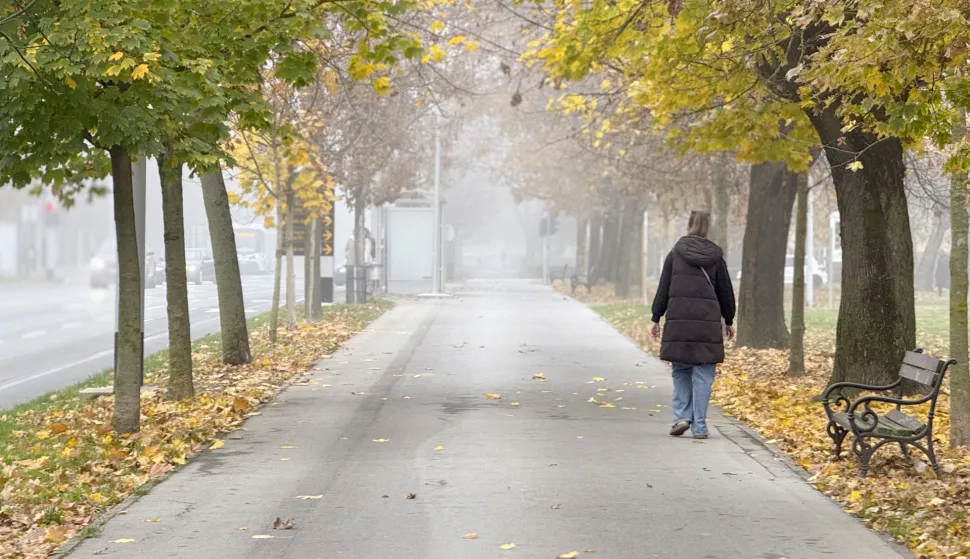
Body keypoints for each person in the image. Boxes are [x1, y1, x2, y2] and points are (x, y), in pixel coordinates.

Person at [649, 211, 736, 440]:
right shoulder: (716, 257)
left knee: (681, 370)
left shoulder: (675, 254)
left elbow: (664, 288)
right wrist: (729, 320)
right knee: (704, 373)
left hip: (679, 321)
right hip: (707, 323)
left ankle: (681, 417)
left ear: (688, 225)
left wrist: (656, 317)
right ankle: (700, 426)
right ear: (708, 228)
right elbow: (725, 292)